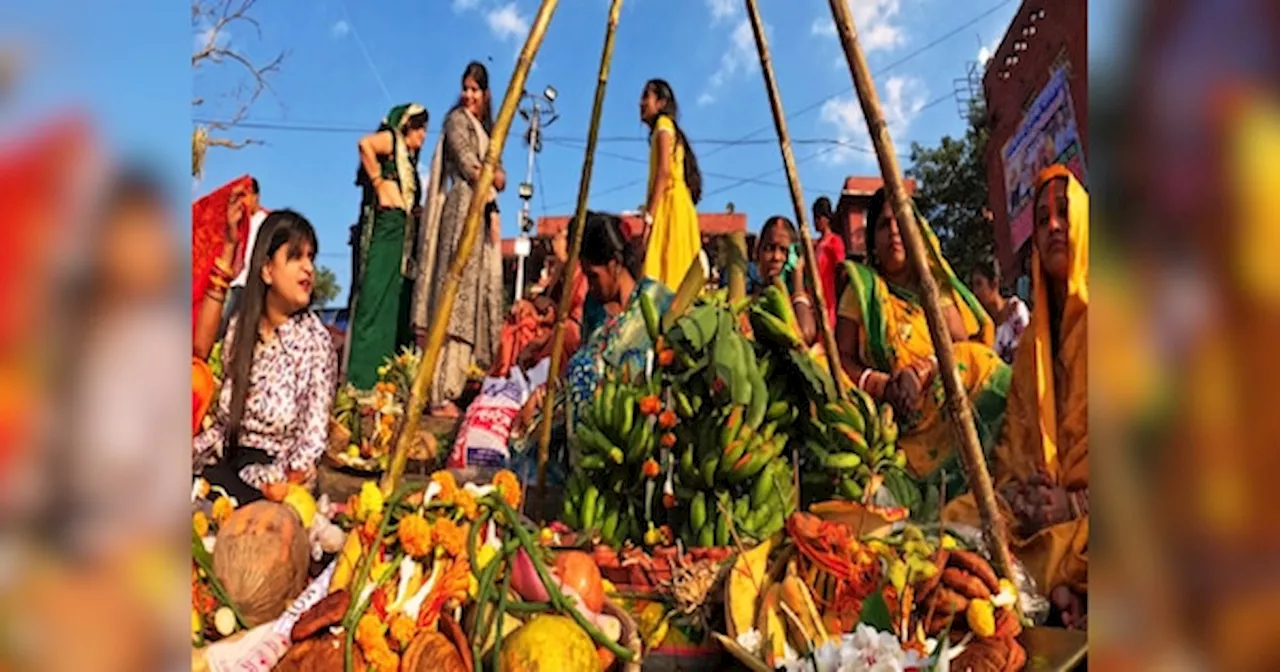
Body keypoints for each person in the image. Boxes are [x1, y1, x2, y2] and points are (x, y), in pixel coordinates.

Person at [943, 164, 1088, 629]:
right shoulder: (1030, 347)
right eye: (1042, 218)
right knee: (961, 518)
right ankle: (1058, 589)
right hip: (1043, 517)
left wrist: (1076, 505)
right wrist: (1024, 497)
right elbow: (1015, 447)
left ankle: (1060, 588)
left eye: (1064, 214)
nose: (1052, 227)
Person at [834, 187, 1010, 492]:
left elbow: (963, 347)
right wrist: (884, 385)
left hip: (944, 409)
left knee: (979, 360)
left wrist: (922, 372)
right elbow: (840, 359)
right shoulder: (862, 290)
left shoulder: (933, 287)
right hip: (891, 420)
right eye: (883, 225)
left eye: (901, 222)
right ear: (872, 241)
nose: (893, 232)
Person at [193, 210, 337, 504]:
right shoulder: (240, 329)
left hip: (273, 484)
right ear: (267, 269)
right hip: (227, 465)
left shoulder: (315, 343)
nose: (308, 268)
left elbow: (310, 443)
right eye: (296, 257)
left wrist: (281, 484)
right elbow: (222, 426)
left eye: (311, 257)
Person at [415, 61, 507, 418]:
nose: (469, 96)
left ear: (485, 95)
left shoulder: (486, 130)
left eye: (476, 90)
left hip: (479, 214)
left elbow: (501, 176)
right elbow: (470, 164)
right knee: (453, 301)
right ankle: (439, 391)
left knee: (469, 307)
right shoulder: (456, 121)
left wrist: (495, 177)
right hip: (461, 213)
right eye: (466, 88)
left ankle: (455, 385)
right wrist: (490, 176)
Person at [345, 102, 430, 390]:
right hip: (384, 231)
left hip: (402, 237)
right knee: (376, 297)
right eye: (420, 129)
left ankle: (386, 380)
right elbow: (364, 144)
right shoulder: (391, 140)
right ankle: (361, 380)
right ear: (408, 126)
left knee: (396, 303)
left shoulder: (411, 162)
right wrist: (380, 184)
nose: (423, 136)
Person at [566, 211, 675, 427]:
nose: (590, 285)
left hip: (644, 420)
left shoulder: (655, 299)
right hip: (595, 425)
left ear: (614, 264)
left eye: (593, 276)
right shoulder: (593, 306)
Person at [638, 79, 703, 289]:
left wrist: (649, 218)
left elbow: (664, 172)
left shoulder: (663, 125)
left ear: (661, 102)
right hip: (677, 206)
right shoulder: (666, 127)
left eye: (646, 96)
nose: (641, 103)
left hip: (670, 208)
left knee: (664, 275)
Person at [754, 216, 817, 346]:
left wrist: (797, 278)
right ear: (757, 252)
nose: (776, 257)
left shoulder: (802, 303)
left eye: (783, 250)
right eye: (769, 248)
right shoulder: (751, 299)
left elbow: (805, 335)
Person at [220, 178, 268, 340]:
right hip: (235, 283)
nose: (242, 202)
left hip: (254, 284)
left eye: (245, 196)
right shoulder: (236, 222)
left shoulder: (266, 222)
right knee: (224, 328)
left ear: (256, 197)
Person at [970, 259, 1031, 365]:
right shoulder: (984, 325)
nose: (975, 292)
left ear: (994, 284)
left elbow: (1023, 349)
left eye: (979, 284)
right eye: (973, 286)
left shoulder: (1015, 309)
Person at [813, 195, 846, 328]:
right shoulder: (816, 245)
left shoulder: (835, 241)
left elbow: (841, 268)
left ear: (826, 218)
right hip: (815, 297)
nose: (814, 222)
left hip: (830, 299)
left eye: (817, 218)